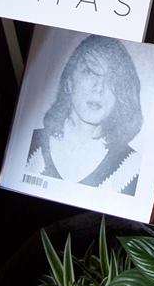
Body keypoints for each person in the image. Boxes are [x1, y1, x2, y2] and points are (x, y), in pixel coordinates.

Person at [26, 35, 142, 194]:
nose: (99, 87)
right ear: (69, 82)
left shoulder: (132, 167)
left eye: (112, 79)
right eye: (89, 72)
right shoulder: (29, 144)